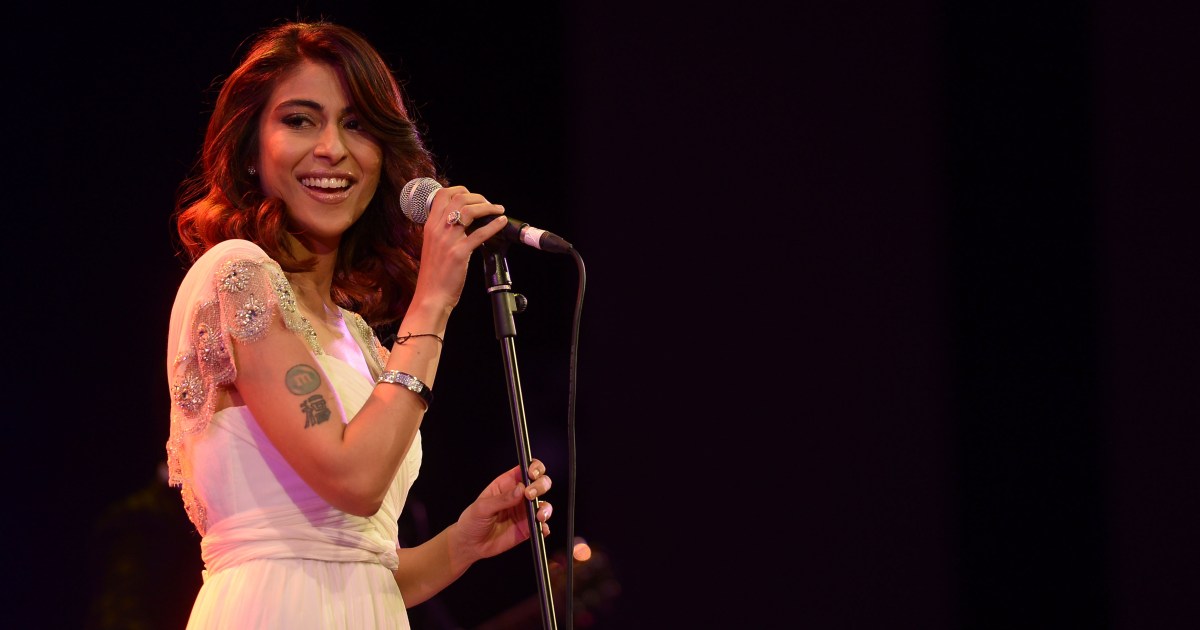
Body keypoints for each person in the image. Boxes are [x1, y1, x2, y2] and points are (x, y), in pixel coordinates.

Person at [164, 20, 554, 629]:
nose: (331, 149)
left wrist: (463, 541)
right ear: (249, 149)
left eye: (357, 125)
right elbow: (353, 478)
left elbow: (360, 570)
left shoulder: (359, 338)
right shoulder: (236, 277)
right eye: (300, 120)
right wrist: (433, 302)